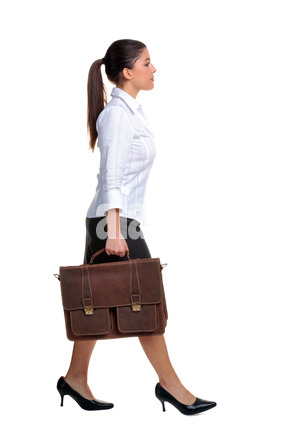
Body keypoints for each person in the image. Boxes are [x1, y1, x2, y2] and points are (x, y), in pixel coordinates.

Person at [57, 39, 216, 415]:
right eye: (148, 62)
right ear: (127, 72)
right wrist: (114, 231)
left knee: (92, 302)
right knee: (143, 301)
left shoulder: (131, 112)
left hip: (113, 221)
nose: (154, 68)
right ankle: (172, 388)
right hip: (113, 223)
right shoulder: (117, 116)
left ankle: (75, 378)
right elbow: (111, 176)